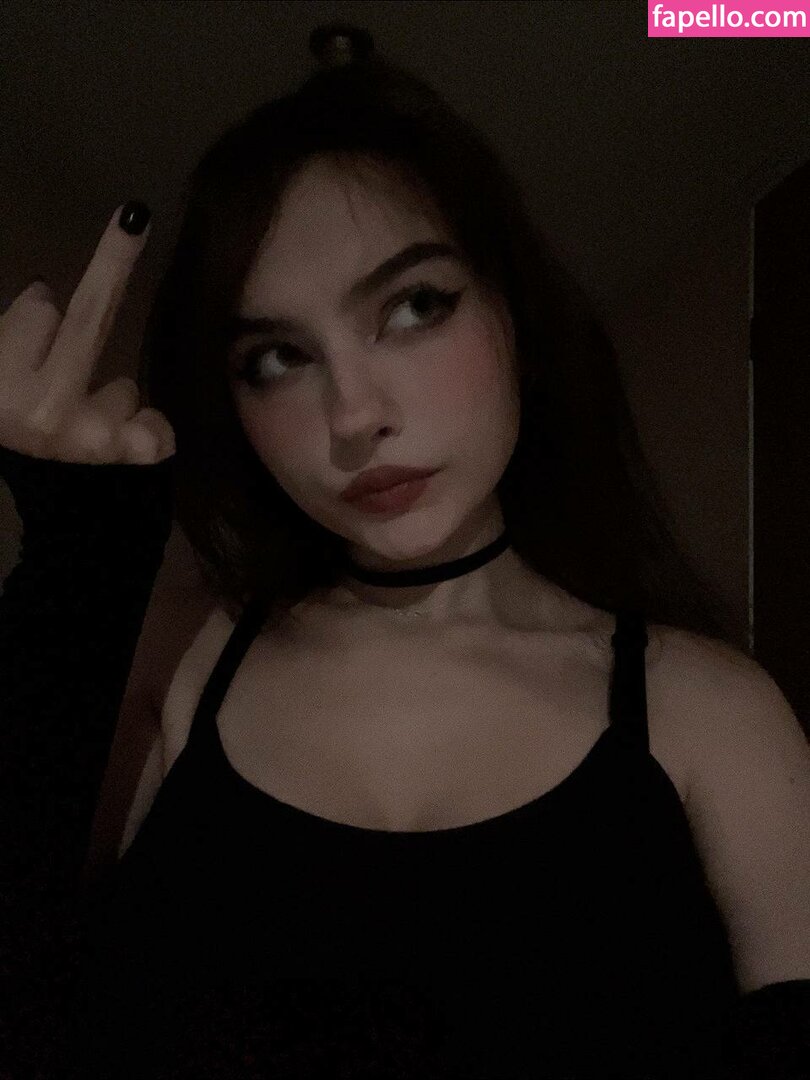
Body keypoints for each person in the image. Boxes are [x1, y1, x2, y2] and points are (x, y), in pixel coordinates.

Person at [1, 29, 807, 1080]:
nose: (353, 415)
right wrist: (73, 575)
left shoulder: (713, 716)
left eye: (415, 307)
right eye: (277, 357)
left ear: (515, 310)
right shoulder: (179, 667)